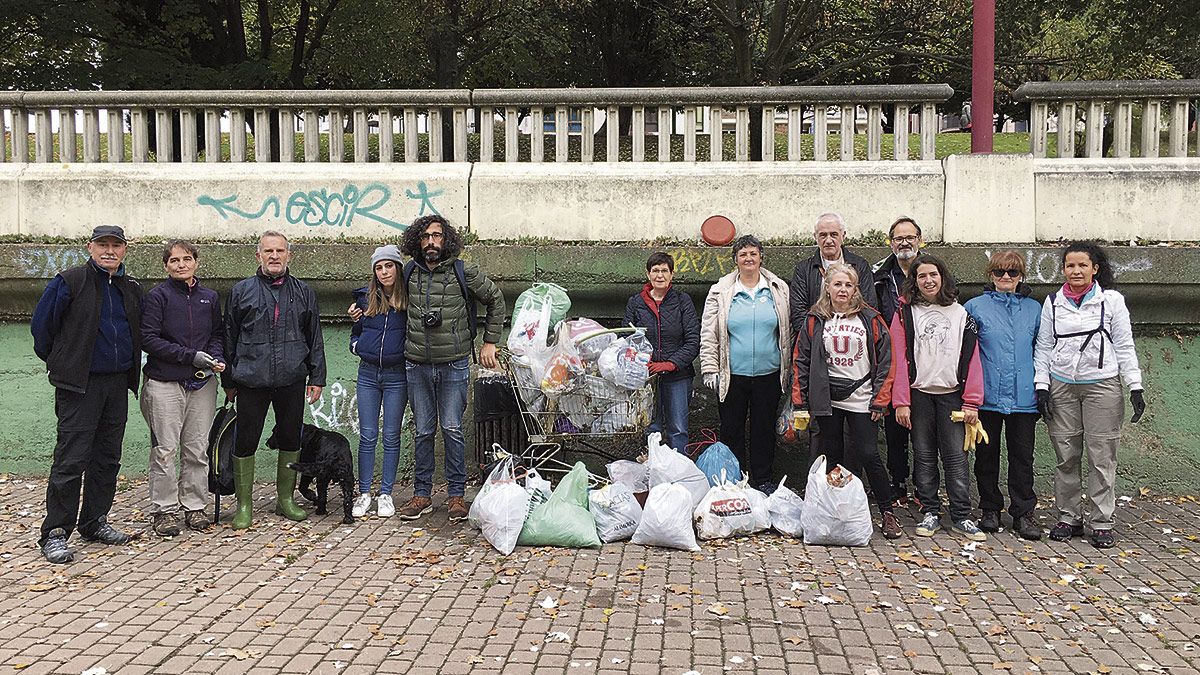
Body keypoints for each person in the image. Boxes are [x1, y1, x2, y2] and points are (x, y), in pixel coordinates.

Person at [31, 225, 144, 563]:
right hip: (79, 385)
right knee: (71, 458)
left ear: (124, 250)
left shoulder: (131, 287)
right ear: (90, 247)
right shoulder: (70, 281)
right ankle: (55, 532)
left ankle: (94, 521)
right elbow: (42, 329)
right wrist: (64, 361)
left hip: (116, 383)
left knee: (107, 457)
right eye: (102, 245)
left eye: (116, 245)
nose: (109, 251)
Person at [1034, 242, 1145, 549]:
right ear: (1063, 270)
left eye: (1083, 265)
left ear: (1095, 268)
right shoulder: (1053, 302)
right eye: (1070, 265)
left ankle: (1101, 521)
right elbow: (1044, 346)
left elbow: (1124, 344)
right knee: (1066, 454)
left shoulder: (1111, 301)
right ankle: (1069, 516)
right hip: (1062, 385)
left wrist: (1134, 384)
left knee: (1101, 456)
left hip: (1102, 385)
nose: (1076, 271)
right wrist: (1041, 385)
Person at [397, 215, 506, 521]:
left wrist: (490, 342)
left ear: (446, 240)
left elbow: (495, 299)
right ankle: (422, 495)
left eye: (437, 236)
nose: (431, 242)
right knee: (423, 432)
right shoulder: (409, 272)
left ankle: (456, 497)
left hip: (455, 363)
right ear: (417, 241)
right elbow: (387, 303)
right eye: (426, 237)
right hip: (416, 365)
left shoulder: (462, 271)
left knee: (452, 429)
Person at [222, 231, 326, 530]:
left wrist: (317, 376)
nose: (274, 256)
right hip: (251, 379)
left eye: (280, 250)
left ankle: (285, 500)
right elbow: (229, 336)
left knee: (291, 438)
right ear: (258, 256)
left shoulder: (304, 291)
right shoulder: (241, 291)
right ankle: (244, 504)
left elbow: (314, 336)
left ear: (289, 255)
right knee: (246, 440)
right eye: (268, 251)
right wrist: (229, 379)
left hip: (292, 377)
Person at [792, 263, 902, 539]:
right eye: (837, 284)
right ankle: (832, 513)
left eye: (848, 285)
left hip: (862, 398)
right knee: (830, 454)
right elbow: (800, 361)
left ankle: (887, 512)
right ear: (827, 287)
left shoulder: (871, 319)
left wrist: (881, 399)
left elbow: (888, 361)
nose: (842, 289)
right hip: (827, 399)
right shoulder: (815, 319)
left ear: (856, 288)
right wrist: (800, 402)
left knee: (868, 453)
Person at [890, 254, 986, 541]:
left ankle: (961, 515)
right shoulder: (905, 314)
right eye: (921, 276)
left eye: (933, 274)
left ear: (942, 277)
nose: (928, 280)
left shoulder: (961, 314)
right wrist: (901, 401)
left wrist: (972, 401)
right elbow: (898, 358)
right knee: (924, 456)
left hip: (953, 397)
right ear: (914, 281)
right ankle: (930, 510)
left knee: (956, 457)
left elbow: (973, 360)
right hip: (919, 396)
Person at [139, 240, 226, 537]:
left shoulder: (209, 297)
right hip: (165, 382)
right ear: (166, 266)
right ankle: (163, 510)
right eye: (174, 260)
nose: (181, 264)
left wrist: (217, 357)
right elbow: (148, 339)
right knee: (165, 449)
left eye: (186, 259)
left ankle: (194, 506)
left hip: (202, 383)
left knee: (197, 448)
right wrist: (189, 356)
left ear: (196, 262)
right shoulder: (157, 297)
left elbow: (217, 334)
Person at [699, 235, 790, 493]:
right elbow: (709, 332)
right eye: (743, 255)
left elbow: (787, 332)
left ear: (761, 257)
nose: (748, 259)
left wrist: (789, 369)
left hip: (769, 374)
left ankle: (762, 481)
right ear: (735, 260)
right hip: (731, 375)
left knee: (764, 430)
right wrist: (709, 367)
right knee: (731, 430)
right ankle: (735, 481)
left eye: (753, 253)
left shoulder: (778, 288)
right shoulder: (721, 290)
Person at [964, 251, 1043, 541]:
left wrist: (1042, 388)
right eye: (999, 272)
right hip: (987, 395)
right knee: (986, 456)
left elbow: (1043, 350)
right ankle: (990, 508)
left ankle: (1023, 512)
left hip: (1024, 396)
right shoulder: (974, 307)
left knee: (1022, 457)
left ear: (1021, 275)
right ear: (990, 275)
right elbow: (967, 352)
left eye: (1012, 272)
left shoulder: (1035, 309)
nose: (1006, 277)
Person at [348, 245, 409, 518]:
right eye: (379, 267)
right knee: (368, 435)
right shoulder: (364, 299)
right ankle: (364, 493)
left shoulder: (409, 299)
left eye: (389, 266)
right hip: (368, 374)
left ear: (398, 267)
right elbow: (355, 333)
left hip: (398, 375)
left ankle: (386, 493)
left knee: (391, 435)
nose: (384, 272)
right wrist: (357, 346)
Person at [623, 252, 700, 453]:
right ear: (648, 274)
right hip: (646, 377)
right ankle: (652, 471)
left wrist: (671, 363)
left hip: (678, 376)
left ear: (672, 274)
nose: (660, 275)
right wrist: (640, 362)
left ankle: (679, 473)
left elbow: (693, 341)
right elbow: (626, 338)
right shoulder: (635, 302)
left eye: (664, 270)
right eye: (655, 270)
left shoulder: (683, 301)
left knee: (678, 429)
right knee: (650, 427)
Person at [872, 216, 924, 504]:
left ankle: (923, 484)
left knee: (924, 429)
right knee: (893, 427)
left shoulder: (932, 272)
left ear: (920, 240)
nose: (904, 243)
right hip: (891, 360)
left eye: (910, 237)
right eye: (898, 238)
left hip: (927, 360)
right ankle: (898, 482)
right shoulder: (880, 277)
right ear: (891, 243)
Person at [788, 212, 879, 331]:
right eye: (823, 235)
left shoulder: (859, 266)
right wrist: (816, 339)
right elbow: (798, 312)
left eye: (834, 234)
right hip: (816, 339)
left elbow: (869, 306)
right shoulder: (804, 269)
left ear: (843, 235)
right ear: (815, 237)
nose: (828, 240)